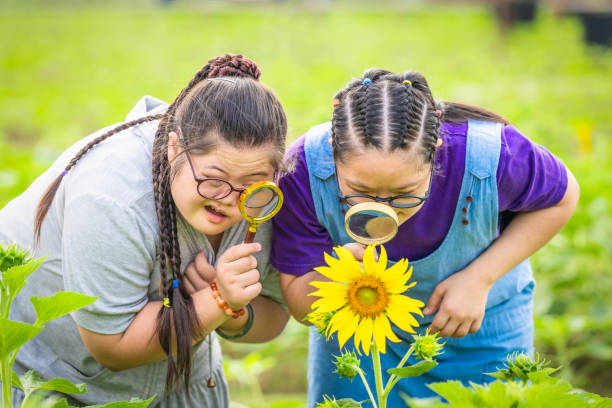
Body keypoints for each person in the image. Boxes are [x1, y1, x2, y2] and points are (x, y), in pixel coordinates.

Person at [271, 68, 579, 407]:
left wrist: (480, 278)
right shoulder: (302, 171)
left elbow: (562, 198)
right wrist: (336, 278)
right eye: (361, 191)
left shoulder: (491, 156)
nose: (382, 208)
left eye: (404, 193)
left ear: (436, 147)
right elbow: (300, 304)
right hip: (359, 345)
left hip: (483, 330)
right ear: (333, 149)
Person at [0, 54, 289, 407]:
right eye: (213, 179)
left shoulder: (265, 200)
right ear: (173, 148)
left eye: (251, 184)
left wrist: (236, 315)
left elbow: (275, 314)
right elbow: (112, 346)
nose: (230, 199)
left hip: (184, 382)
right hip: (61, 383)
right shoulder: (111, 197)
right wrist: (216, 301)